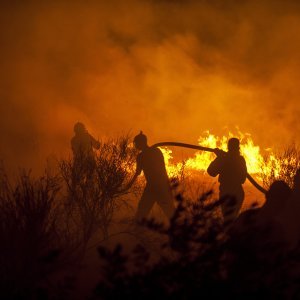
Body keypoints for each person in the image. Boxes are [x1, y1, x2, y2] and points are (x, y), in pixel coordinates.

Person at [125, 132, 175, 222]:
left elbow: (137, 173)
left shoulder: (141, 156)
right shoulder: (155, 151)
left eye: (136, 143)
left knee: (169, 212)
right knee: (169, 212)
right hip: (159, 185)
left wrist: (129, 184)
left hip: (155, 187)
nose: (135, 145)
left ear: (141, 143)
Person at [207, 138, 247, 223]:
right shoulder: (240, 160)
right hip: (238, 192)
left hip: (226, 192)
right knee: (233, 219)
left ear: (228, 147)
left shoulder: (223, 158)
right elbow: (243, 179)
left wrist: (219, 158)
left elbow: (211, 171)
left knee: (228, 220)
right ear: (238, 147)